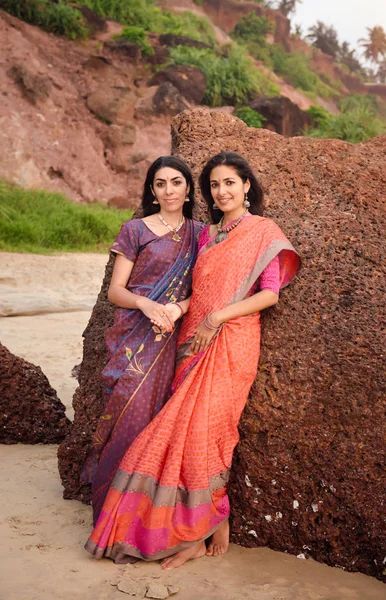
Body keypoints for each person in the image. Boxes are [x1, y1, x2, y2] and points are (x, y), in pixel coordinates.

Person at [85, 151, 301, 567]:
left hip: (232, 342)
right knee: (177, 436)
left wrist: (217, 318)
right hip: (191, 341)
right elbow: (195, 293)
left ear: (247, 187)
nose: (222, 191)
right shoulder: (207, 235)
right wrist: (181, 312)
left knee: (209, 433)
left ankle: (213, 520)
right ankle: (196, 529)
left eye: (230, 183)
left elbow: (269, 294)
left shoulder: (262, 231)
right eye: (215, 185)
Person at [81, 156, 203, 525]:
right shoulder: (135, 230)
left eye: (176, 182)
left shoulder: (201, 235)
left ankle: (145, 509)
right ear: (152, 190)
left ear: (187, 189)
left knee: (161, 419)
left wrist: (178, 309)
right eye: (160, 183)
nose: (169, 190)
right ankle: (108, 505)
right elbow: (116, 291)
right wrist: (147, 304)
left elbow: (205, 290)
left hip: (174, 336)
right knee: (124, 411)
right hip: (134, 336)